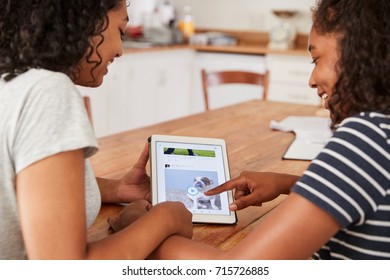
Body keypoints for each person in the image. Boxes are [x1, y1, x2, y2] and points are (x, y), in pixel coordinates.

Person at [150, 0, 390, 259]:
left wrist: (146, 231)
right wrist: (291, 184)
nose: (311, 80)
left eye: (316, 59)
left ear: (358, 53)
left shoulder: (367, 138)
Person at [0, 0, 192, 259]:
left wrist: (116, 190)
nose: (121, 50)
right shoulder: (46, 90)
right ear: (86, 21)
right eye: (120, 31)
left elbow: (18, 188)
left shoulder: (12, 80)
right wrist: (165, 219)